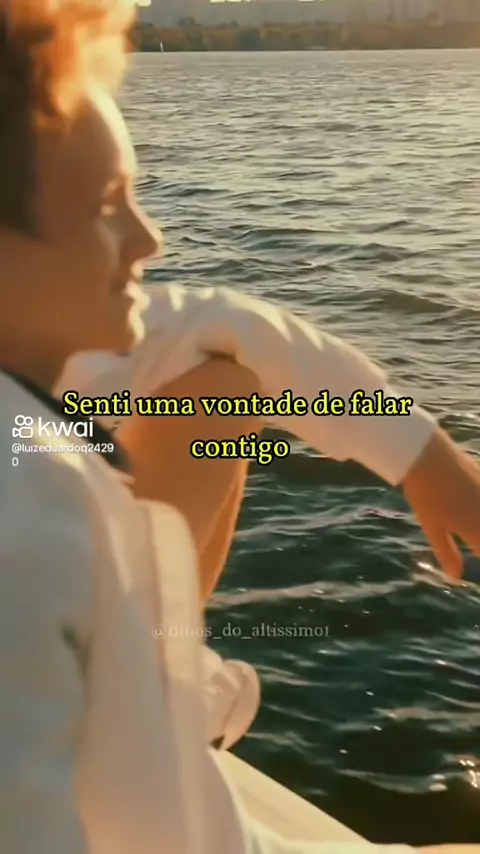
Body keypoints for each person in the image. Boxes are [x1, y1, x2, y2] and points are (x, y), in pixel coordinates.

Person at [0, 2, 479, 852]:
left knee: (219, 387)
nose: (149, 238)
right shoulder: (29, 520)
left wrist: (423, 455)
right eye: (105, 206)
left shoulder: (48, 377)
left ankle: (164, 683)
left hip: (131, 729)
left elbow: (229, 327)